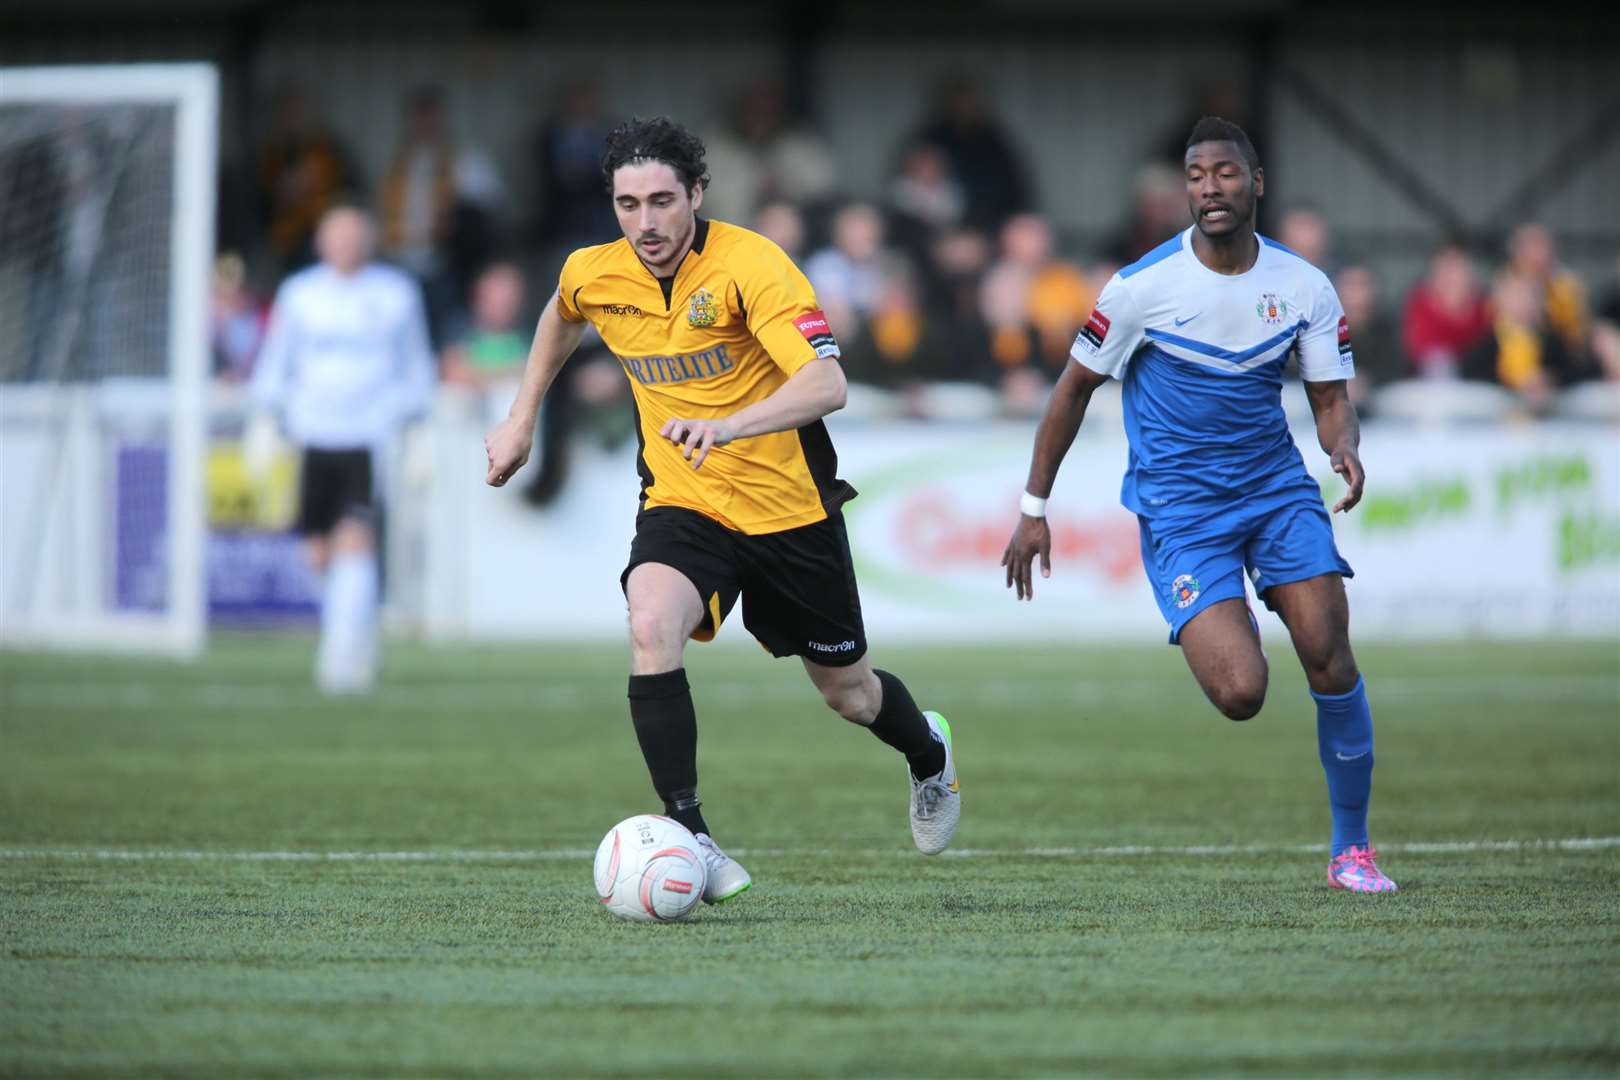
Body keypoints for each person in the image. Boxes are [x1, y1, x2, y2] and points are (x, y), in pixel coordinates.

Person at [483, 118, 960, 903]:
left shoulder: (753, 266)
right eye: (627, 204)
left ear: (697, 194)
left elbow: (826, 385)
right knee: (649, 624)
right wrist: (521, 417)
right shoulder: (594, 271)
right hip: (684, 500)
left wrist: (729, 424)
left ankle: (928, 754)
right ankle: (692, 836)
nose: (645, 223)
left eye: (662, 201)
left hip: (786, 509)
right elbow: (561, 316)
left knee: (852, 694)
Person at [1001, 117, 1396, 894]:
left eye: (1223, 173)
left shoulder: (1304, 287)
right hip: (1183, 512)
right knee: (1241, 693)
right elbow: (1071, 391)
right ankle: (1232, 610)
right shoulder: (1140, 288)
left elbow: (1329, 399)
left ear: (1256, 183)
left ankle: (1352, 851)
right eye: (1195, 176)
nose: (1209, 188)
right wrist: (1033, 505)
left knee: (1328, 649)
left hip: (1276, 492)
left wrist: (1341, 446)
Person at [248, 207, 436, 694]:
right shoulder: (300, 294)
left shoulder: (395, 294)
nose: (347, 244)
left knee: (356, 537)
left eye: (356, 235)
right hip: (314, 434)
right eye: (338, 235)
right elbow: (278, 360)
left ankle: (341, 656)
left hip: (371, 437)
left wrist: (417, 428)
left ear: (370, 240)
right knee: (317, 551)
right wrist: (266, 419)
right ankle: (357, 631)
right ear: (321, 241)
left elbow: (414, 362)